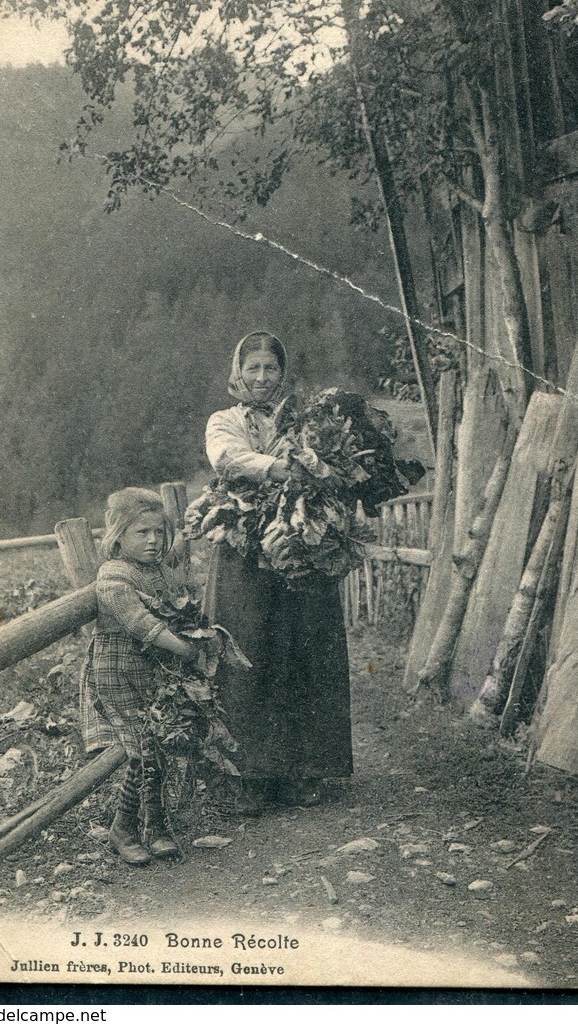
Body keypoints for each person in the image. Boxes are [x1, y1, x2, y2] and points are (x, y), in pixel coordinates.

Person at [203, 331, 353, 814]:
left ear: (281, 373)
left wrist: (319, 469)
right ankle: (250, 776)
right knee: (250, 653)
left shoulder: (303, 420)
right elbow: (227, 458)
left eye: (271, 369)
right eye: (254, 369)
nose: (263, 379)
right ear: (238, 373)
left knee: (305, 650)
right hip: (245, 550)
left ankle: (304, 770)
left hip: (298, 546)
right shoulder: (225, 420)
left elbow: (331, 463)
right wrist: (284, 469)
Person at [81, 488, 199, 865]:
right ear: (118, 536)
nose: (153, 541)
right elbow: (140, 622)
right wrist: (185, 648)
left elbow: (178, 561)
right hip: (117, 670)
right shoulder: (114, 575)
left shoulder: (158, 568)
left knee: (158, 742)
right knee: (140, 749)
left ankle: (157, 825)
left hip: (150, 669)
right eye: (141, 533)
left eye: (159, 532)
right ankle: (124, 827)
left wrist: (186, 534)